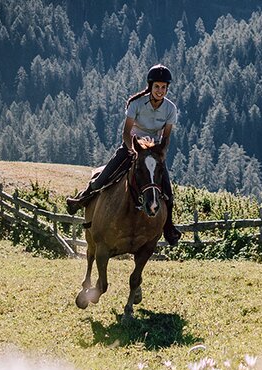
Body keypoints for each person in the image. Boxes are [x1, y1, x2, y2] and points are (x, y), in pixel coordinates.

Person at [66, 64, 182, 245]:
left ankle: (169, 227)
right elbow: (126, 132)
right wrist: (133, 151)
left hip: (154, 153)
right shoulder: (137, 104)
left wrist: (160, 155)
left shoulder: (170, 109)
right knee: (103, 177)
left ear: (167, 88)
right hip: (132, 147)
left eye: (163, 87)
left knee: (167, 192)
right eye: (157, 87)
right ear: (150, 86)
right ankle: (82, 198)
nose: (160, 91)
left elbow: (166, 138)